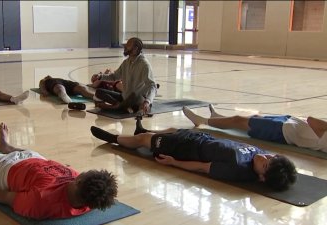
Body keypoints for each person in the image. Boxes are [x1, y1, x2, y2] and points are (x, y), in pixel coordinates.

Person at [0, 123, 118, 219]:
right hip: (36, 160)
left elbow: (4, 197)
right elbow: (104, 195)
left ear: (78, 182)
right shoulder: (89, 197)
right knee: (27, 151)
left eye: (83, 174)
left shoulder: (40, 201)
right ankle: (5, 145)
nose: (80, 173)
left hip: (4, 169)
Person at [90, 118, 297, 191]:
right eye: (272, 158)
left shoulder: (238, 170)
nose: (265, 158)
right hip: (201, 138)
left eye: (266, 166)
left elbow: (202, 167)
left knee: (144, 140)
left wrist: (174, 162)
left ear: (261, 178)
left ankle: (114, 138)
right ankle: (142, 130)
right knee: (171, 128)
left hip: (185, 150)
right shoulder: (261, 155)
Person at [183, 104, 327, 152]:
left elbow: (312, 120)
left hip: (283, 131)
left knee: (238, 120)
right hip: (291, 123)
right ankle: (217, 117)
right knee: (253, 119)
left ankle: (202, 121)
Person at [91, 37, 157, 114]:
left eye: (128, 45)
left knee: (134, 95)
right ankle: (120, 106)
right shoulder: (126, 63)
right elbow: (114, 77)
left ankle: (114, 107)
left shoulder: (144, 65)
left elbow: (153, 86)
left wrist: (147, 102)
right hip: (125, 98)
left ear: (135, 48)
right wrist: (100, 76)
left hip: (138, 99)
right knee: (99, 92)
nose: (125, 47)